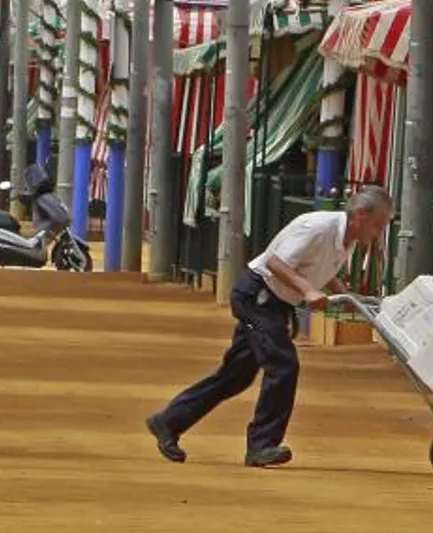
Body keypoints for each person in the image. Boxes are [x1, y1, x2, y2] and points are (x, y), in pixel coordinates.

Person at [145, 187, 395, 468]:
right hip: (258, 297)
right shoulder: (318, 228)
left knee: (235, 376)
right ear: (361, 216)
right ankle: (262, 445)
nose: (379, 232)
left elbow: (322, 268)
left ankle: (167, 422)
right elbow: (276, 262)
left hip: (274, 303)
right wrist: (308, 291)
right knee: (283, 365)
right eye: (379, 224)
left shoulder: (347, 238)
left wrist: (344, 295)